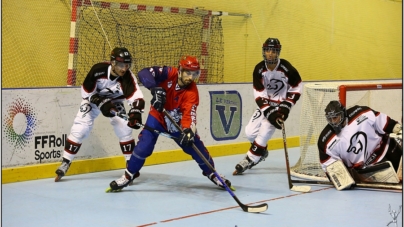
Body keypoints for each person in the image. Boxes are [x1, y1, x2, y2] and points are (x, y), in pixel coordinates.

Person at [107, 55, 233, 191]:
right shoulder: (168, 73)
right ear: (180, 70)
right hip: (157, 118)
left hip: (177, 124)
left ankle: (213, 174)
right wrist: (154, 89)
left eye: (195, 73)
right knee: (144, 146)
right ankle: (128, 175)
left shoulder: (192, 92)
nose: (191, 77)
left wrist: (187, 130)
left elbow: (189, 114)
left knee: (195, 148)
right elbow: (144, 73)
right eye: (188, 73)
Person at [55, 47, 145, 182]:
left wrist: (136, 113)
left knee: (124, 129)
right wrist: (100, 101)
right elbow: (86, 92)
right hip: (94, 100)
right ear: (113, 63)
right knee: (81, 128)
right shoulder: (98, 70)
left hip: (115, 102)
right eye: (121, 65)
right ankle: (66, 162)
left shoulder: (128, 77)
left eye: (127, 65)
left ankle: (130, 166)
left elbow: (137, 98)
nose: (124, 69)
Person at [233, 37, 303, 175]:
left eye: (273, 50)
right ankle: (262, 151)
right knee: (249, 132)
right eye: (267, 50)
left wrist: (285, 108)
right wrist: (268, 112)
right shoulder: (259, 69)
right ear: (264, 51)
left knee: (264, 131)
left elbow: (297, 87)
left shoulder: (287, 68)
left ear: (278, 52)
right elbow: (259, 94)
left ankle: (250, 159)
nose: (270, 53)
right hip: (265, 107)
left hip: (279, 108)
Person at [318, 100, 402, 184]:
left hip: (388, 149)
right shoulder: (325, 140)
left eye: (335, 117)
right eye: (330, 119)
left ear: (343, 113)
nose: (333, 122)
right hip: (370, 169)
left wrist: (394, 126)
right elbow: (329, 164)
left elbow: (379, 120)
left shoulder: (360, 112)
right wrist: (341, 179)